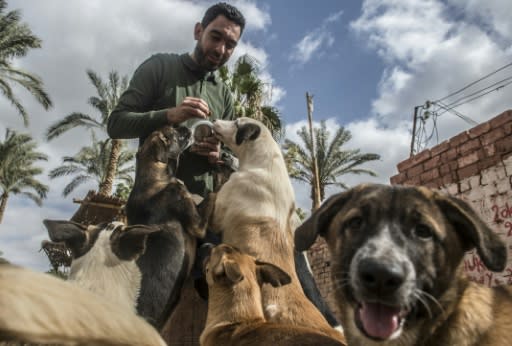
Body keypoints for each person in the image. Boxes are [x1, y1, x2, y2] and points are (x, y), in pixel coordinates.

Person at [107, 2, 245, 198]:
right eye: (215, 37)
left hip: (200, 218)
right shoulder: (160, 66)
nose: (221, 50)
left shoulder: (224, 95)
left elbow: (234, 157)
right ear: (198, 31)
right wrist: (169, 115)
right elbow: (116, 125)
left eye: (230, 45)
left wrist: (218, 154)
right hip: (152, 212)